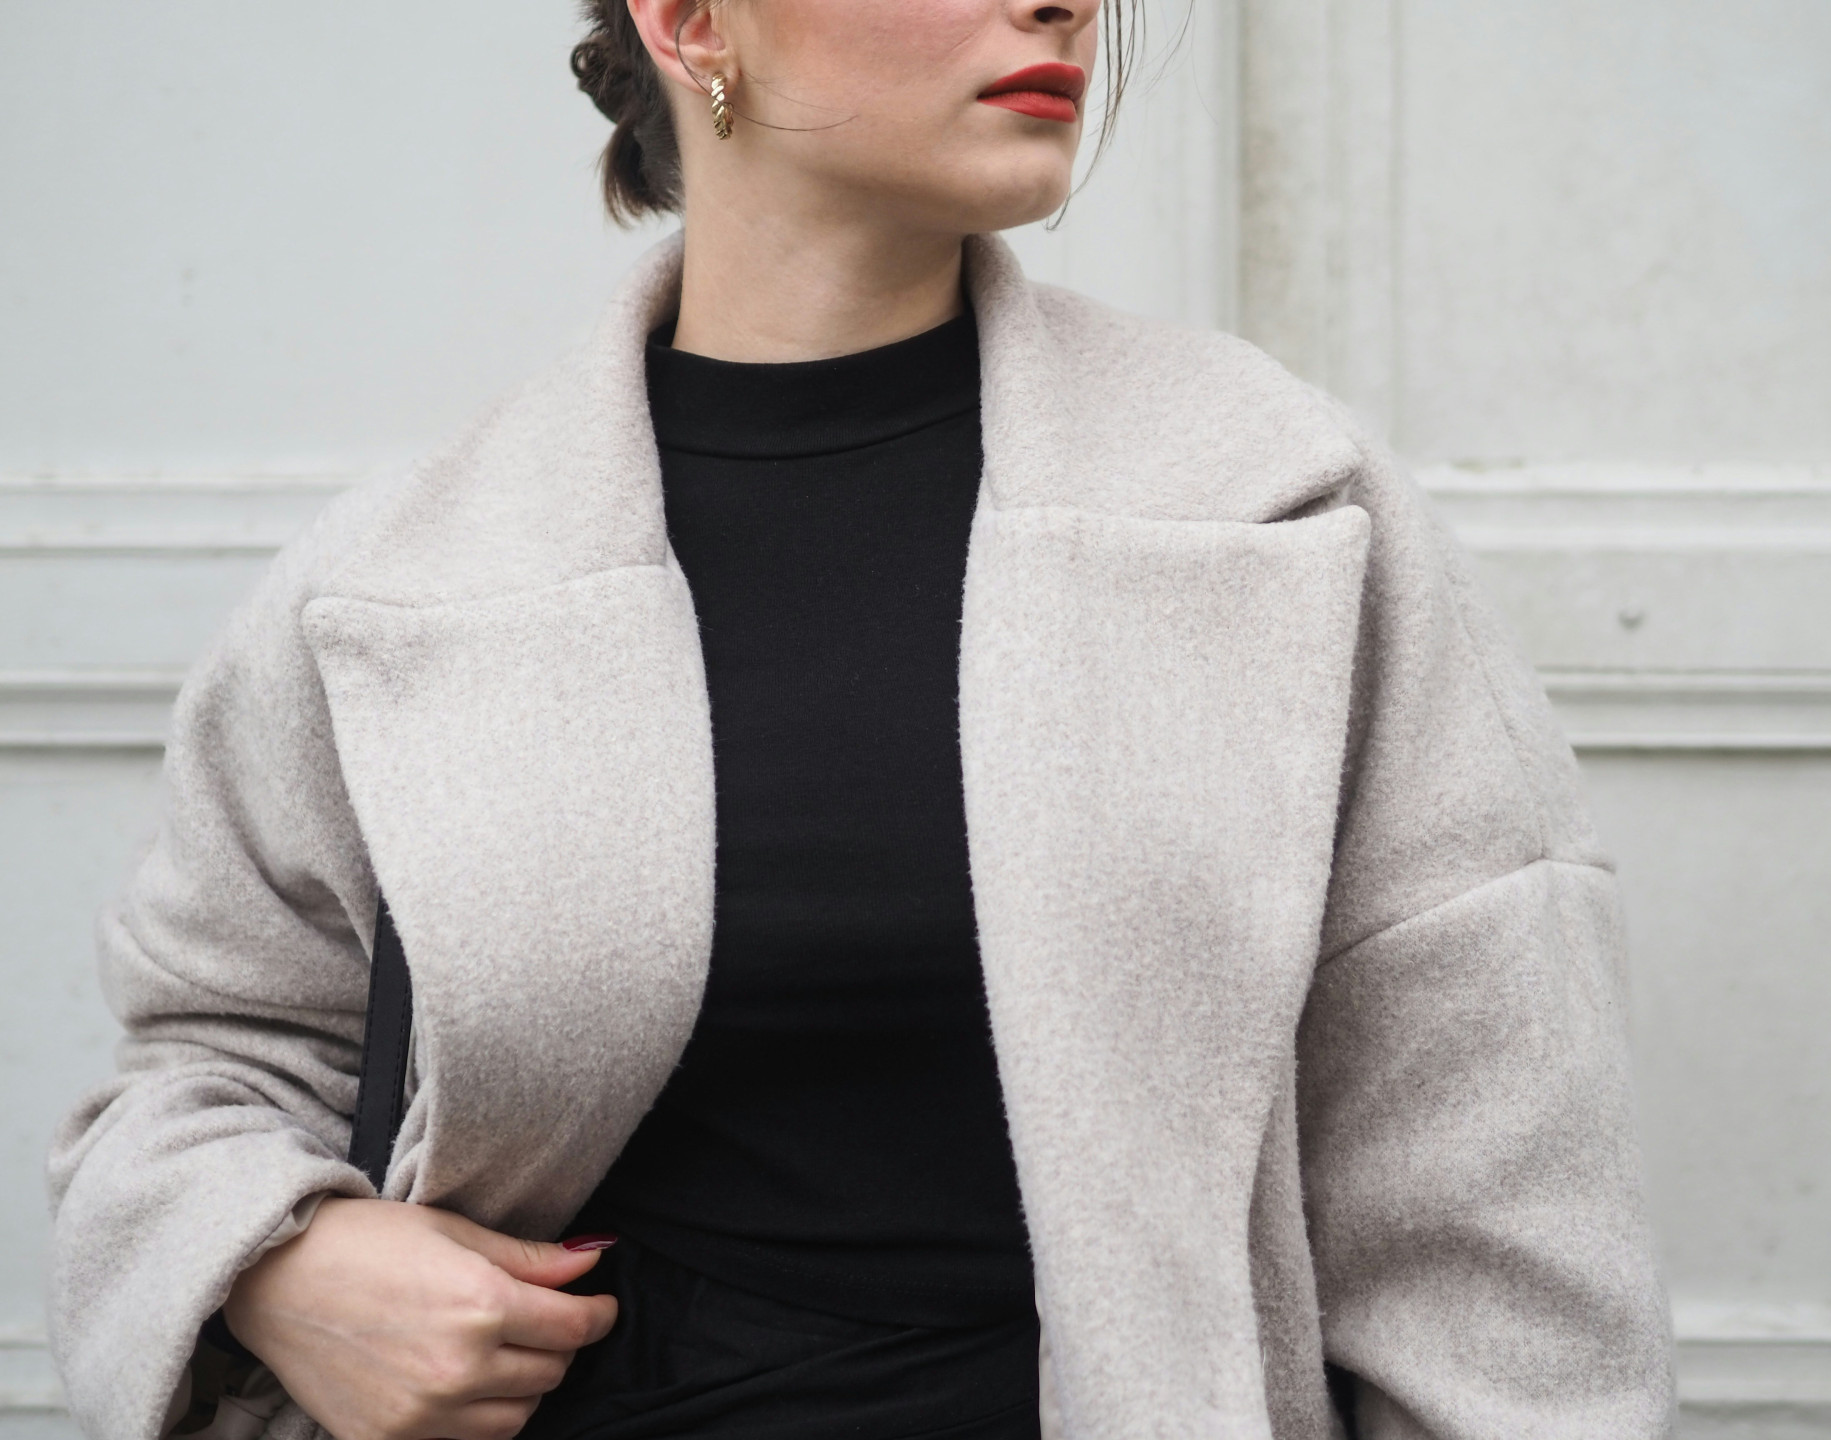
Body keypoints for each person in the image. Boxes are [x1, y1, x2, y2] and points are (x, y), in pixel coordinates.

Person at [45, 0, 1676, 1435]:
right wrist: (280, 1260)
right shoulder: (403, 582)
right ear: (693, 23)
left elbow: (1495, 1219)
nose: (1065, 3)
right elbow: (211, 1061)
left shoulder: (1275, 513)